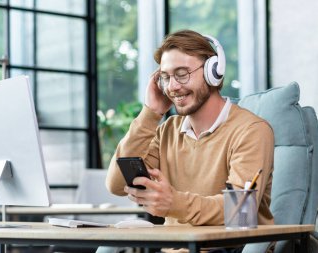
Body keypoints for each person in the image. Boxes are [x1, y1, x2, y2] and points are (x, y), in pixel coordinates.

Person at [104, 30, 274, 252]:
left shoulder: (251, 131)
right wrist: (150, 113)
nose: (172, 87)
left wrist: (173, 202)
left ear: (213, 71)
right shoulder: (167, 131)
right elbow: (116, 185)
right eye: (165, 77)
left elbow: (238, 211)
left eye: (182, 74)